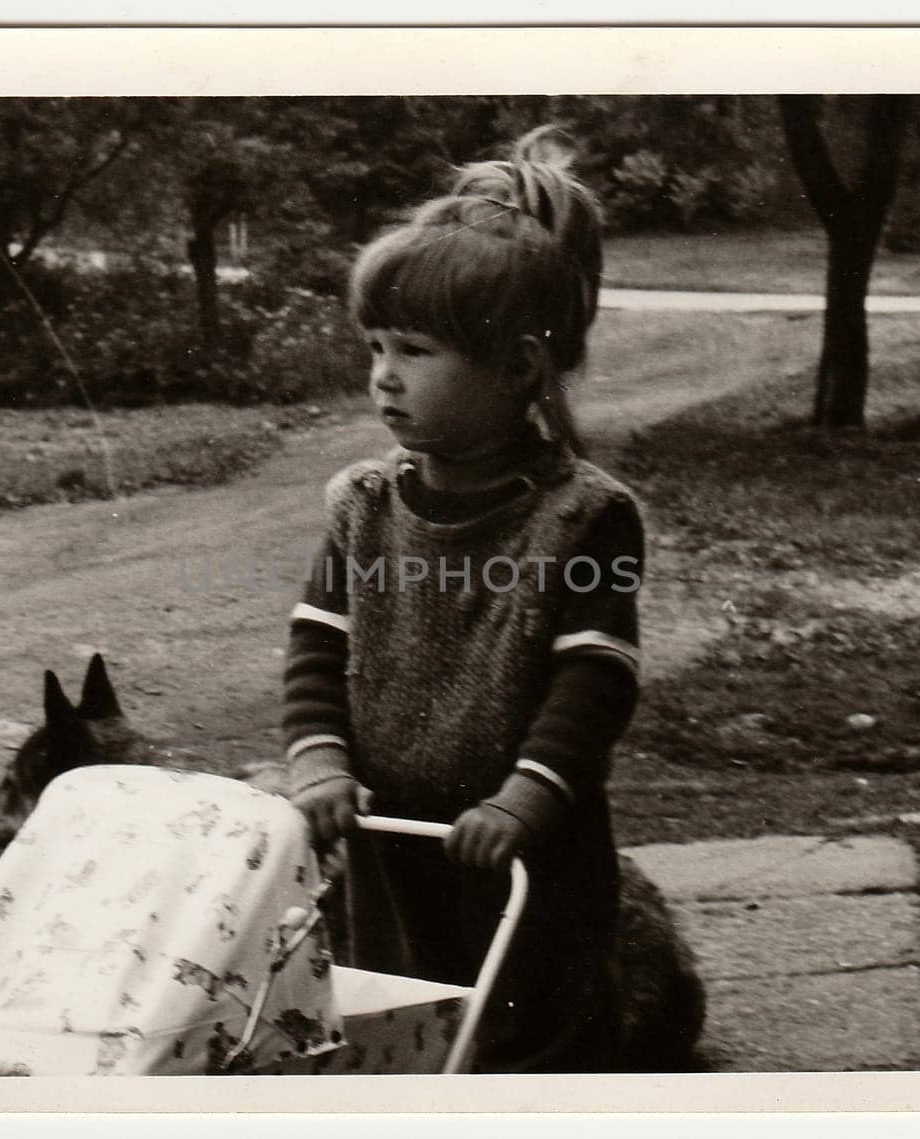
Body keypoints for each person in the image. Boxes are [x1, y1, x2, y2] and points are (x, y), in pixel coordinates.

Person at [281, 126, 645, 1073]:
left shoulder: (582, 517)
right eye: (374, 345)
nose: (383, 375)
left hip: (523, 842)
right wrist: (321, 764)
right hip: (391, 840)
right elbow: (319, 645)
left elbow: (595, 677)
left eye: (416, 349)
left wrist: (527, 799)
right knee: (398, 1028)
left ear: (521, 367)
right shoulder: (363, 505)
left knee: (543, 1035)